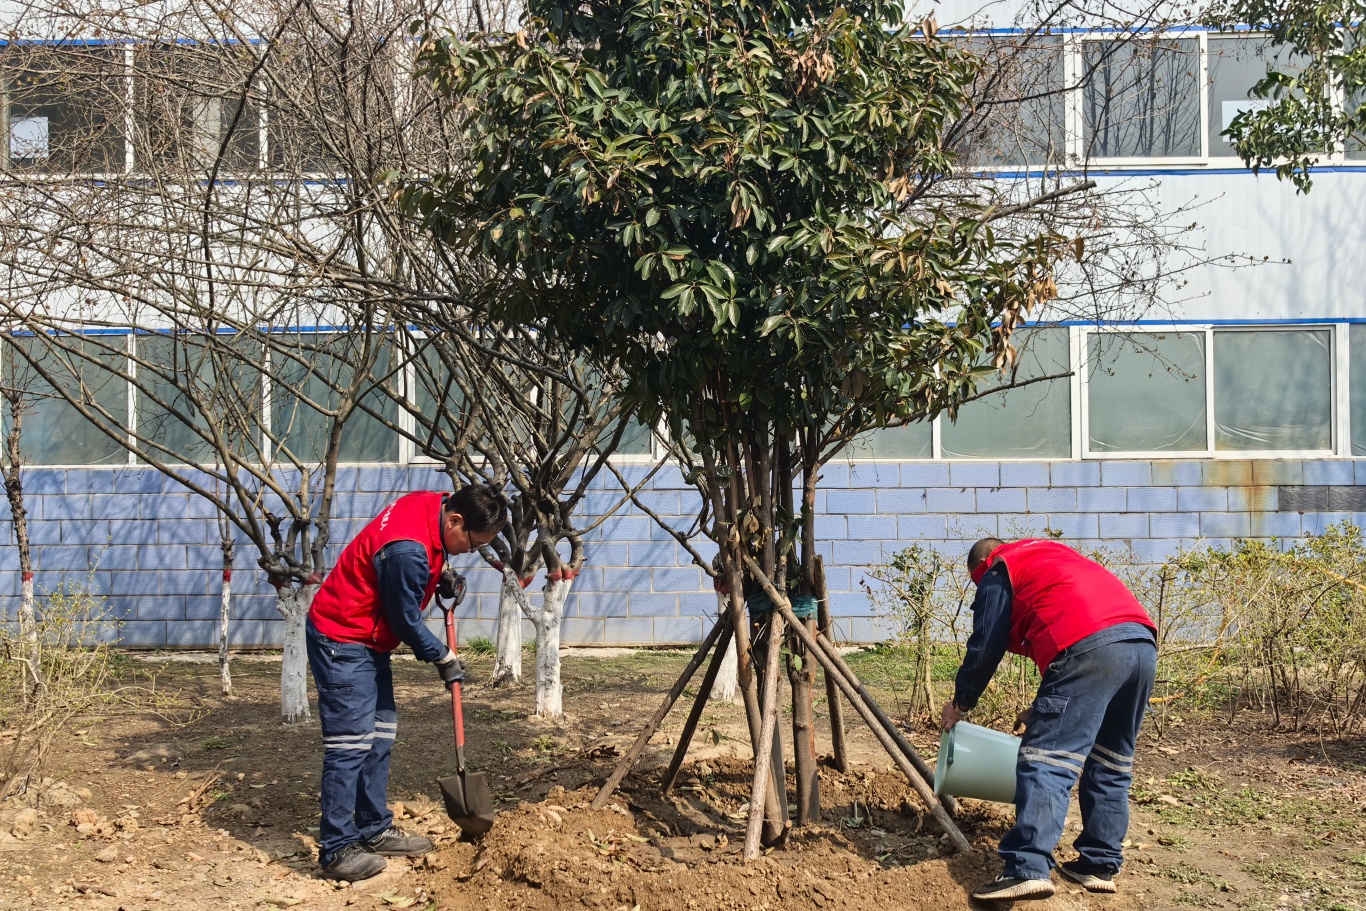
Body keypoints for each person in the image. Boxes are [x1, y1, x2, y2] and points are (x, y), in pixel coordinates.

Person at [306, 484, 509, 881]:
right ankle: (336, 848)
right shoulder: (407, 551)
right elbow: (404, 619)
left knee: (380, 734)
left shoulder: (432, 502)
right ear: (455, 520)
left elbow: (421, 560)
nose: (471, 551)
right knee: (350, 743)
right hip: (341, 636)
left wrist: (441, 575)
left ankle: (373, 828)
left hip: (369, 639)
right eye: (473, 543)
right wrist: (443, 657)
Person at [940, 537, 1157, 902]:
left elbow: (987, 641)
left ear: (981, 566)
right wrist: (1043, 706)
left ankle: (1026, 868)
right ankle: (1099, 863)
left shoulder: (998, 568)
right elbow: (1072, 629)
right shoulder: (1050, 556)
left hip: (1089, 645)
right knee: (1110, 762)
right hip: (1140, 646)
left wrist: (961, 704)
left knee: (1045, 759)